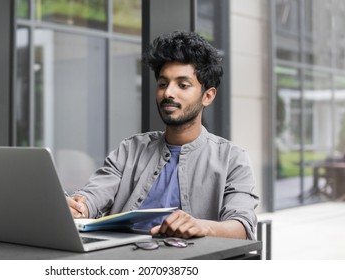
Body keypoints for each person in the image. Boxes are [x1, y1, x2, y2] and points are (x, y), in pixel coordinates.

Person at [67, 30, 259, 240]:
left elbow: (242, 226)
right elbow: (94, 194)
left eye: (182, 85)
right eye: (162, 83)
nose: (168, 93)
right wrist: (80, 207)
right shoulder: (130, 149)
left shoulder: (232, 159)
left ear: (208, 96)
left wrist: (201, 227)